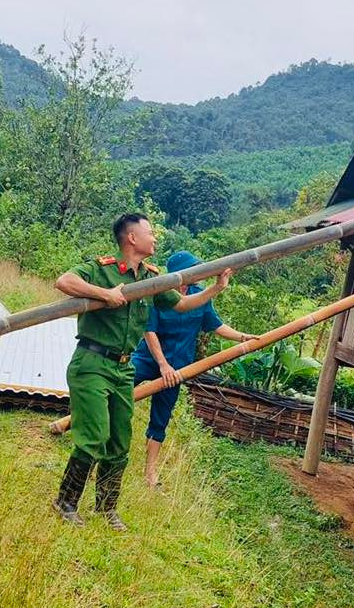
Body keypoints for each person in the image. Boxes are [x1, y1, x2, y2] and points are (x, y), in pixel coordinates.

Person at [51, 213, 233, 530]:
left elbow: (181, 305)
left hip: (123, 367)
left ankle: (106, 508)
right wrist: (104, 293)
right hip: (92, 363)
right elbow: (64, 281)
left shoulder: (151, 280)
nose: (155, 238)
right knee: (94, 434)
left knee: (121, 438)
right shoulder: (102, 269)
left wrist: (216, 289)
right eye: (150, 232)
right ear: (132, 238)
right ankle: (65, 501)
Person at [132, 250, 257, 489]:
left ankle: (150, 473)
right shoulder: (160, 294)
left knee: (161, 418)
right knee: (118, 386)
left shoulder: (200, 296)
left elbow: (215, 325)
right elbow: (150, 331)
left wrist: (242, 337)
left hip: (180, 365)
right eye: (194, 269)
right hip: (149, 358)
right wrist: (162, 364)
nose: (199, 273)